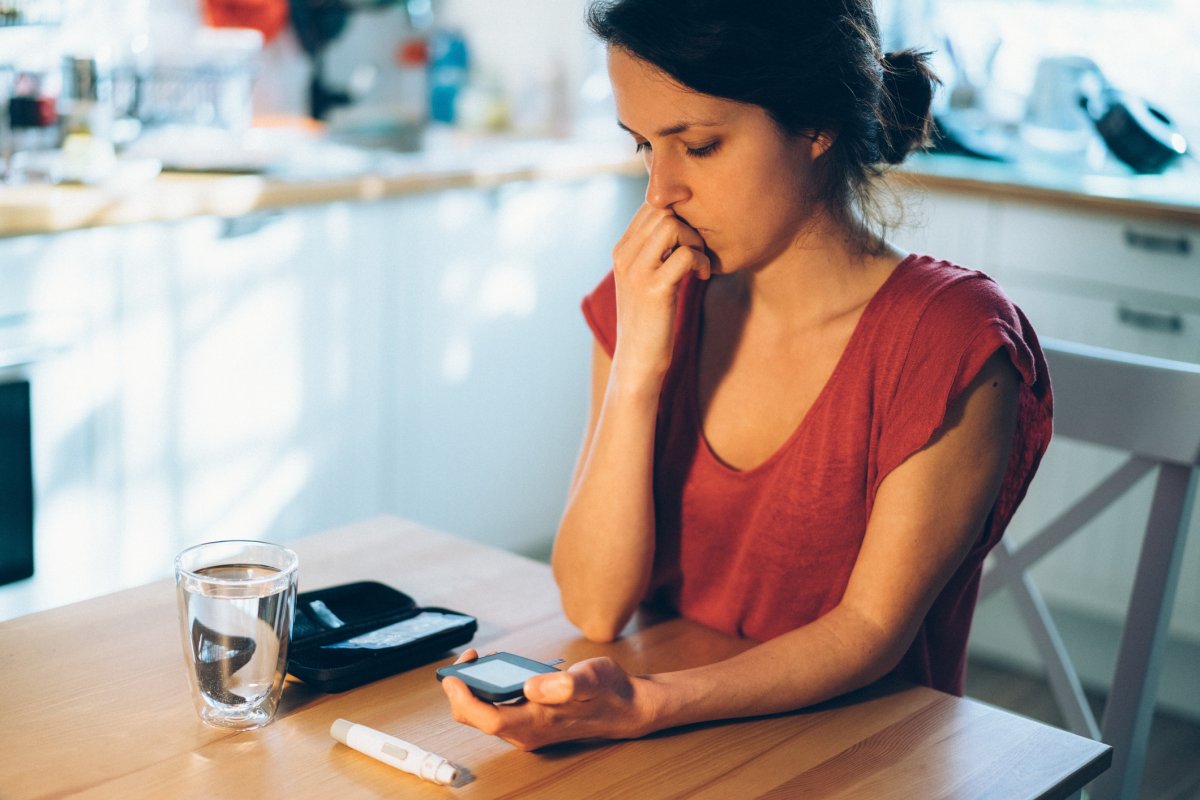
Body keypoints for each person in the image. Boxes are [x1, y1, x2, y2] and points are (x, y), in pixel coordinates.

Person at [441, 0, 1052, 751]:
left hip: (858, 756)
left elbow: (870, 630)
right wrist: (638, 363)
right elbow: (596, 607)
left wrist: (648, 704)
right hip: (673, 747)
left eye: (697, 146)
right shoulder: (653, 301)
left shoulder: (950, 340)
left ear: (817, 124)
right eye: (643, 146)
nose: (660, 191)